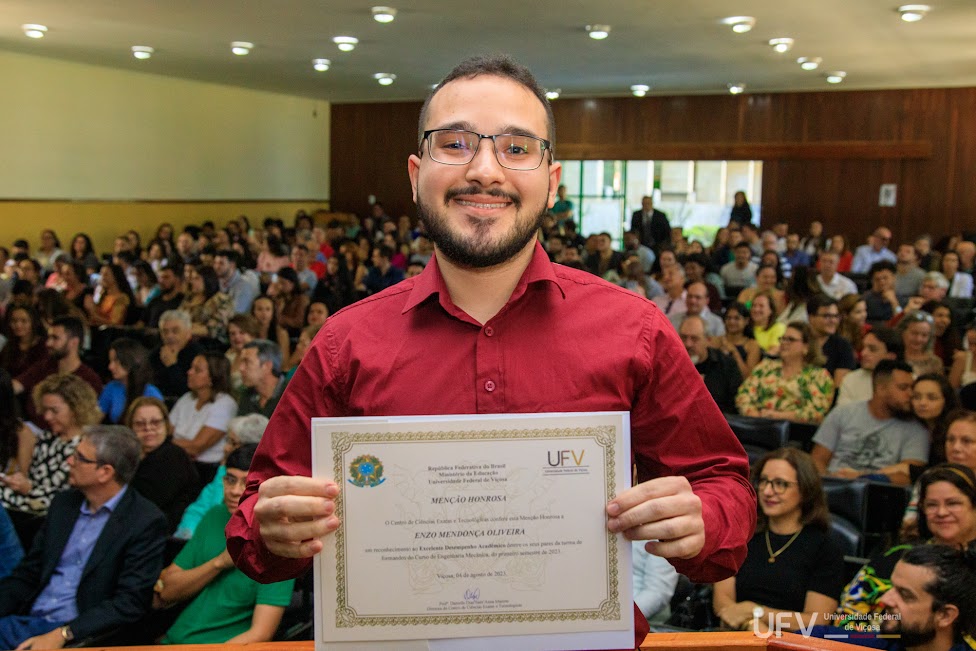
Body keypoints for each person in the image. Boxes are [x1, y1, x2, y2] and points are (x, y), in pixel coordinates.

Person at [225, 54, 755, 646]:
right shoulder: (344, 344)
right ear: (415, 172)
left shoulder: (635, 330)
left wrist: (701, 519)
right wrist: (271, 528)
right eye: (453, 143)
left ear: (552, 182)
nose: (484, 170)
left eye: (518, 148)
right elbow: (252, 523)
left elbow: (724, 485)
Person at [0, 425, 168, 650]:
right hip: (26, 618)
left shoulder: (144, 521)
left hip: (78, 633)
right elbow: (29, 573)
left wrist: (64, 633)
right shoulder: (63, 505)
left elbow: (130, 602)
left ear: (105, 472)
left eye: (79, 457)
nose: (69, 461)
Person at [155, 444, 294, 644]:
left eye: (247, 482)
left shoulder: (278, 539)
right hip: (172, 641)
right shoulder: (215, 516)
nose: (234, 491)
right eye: (230, 480)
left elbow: (261, 634)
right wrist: (219, 562)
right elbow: (167, 592)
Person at [832, 464, 976, 641]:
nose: (941, 512)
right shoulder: (897, 557)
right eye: (931, 505)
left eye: (953, 503)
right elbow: (846, 616)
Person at [713, 448, 843, 632]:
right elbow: (722, 601)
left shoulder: (825, 548)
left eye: (780, 484)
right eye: (764, 481)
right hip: (733, 635)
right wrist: (750, 625)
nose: (767, 491)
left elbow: (816, 620)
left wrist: (756, 612)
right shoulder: (742, 534)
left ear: (805, 490)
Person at [0, 374, 104, 517]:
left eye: (54, 411)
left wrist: (29, 489)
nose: (47, 417)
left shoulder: (88, 447)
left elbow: (74, 499)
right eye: (45, 410)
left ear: (76, 409)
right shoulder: (47, 437)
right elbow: (31, 478)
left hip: (55, 514)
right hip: (27, 504)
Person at [811, 359, 929, 485]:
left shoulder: (916, 429)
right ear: (881, 388)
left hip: (880, 493)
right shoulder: (843, 413)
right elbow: (817, 460)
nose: (910, 394)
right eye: (903, 388)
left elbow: (909, 477)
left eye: (912, 388)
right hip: (833, 486)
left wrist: (862, 477)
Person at [174, 414, 269, 541]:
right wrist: (186, 535)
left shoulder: (265, 478)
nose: (226, 448)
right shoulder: (223, 471)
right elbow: (199, 508)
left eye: (233, 443)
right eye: (227, 441)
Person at [735, 322, 835, 424]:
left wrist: (778, 416)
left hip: (796, 431)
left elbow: (816, 412)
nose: (783, 343)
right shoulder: (765, 367)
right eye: (782, 338)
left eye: (790, 339)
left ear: (806, 346)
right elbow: (744, 395)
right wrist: (755, 415)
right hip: (757, 425)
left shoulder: (819, 376)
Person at [127, 397, 199, 534]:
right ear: (131, 427)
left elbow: (144, 504)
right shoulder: (131, 456)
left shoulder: (173, 455)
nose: (148, 428)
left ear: (166, 425)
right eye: (140, 424)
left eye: (155, 422)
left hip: (163, 533)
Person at [13, 316, 103, 425]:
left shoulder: (89, 379)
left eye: (55, 338)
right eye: (49, 337)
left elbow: (86, 420)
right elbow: (15, 386)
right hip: (30, 427)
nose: (48, 343)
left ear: (74, 342)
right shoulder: (44, 366)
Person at [170, 352, 237, 485]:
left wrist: (169, 443)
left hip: (205, 471)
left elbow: (197, 446)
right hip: (178, 461)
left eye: (197, 370)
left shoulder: (225, 404)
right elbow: (166, 432)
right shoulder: (186, 398)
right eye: (191, 368)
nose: (189, 372)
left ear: (213, 377)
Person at [679, 315, 741, 413]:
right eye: (683, 337)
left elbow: (734, 405)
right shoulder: (672, 363)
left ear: (707, 340)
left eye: (694, 339)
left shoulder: (727, 365)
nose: (688, 344)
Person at [98, 338, 164, 424]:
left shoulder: (151, 392)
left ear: (130, 361)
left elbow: (158, 425)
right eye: (110, 361)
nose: (110, 367)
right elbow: (95, 418)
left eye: (116, 361)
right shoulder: (111, 387)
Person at [837, 327, 902, 407]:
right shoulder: (851, 379)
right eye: (863, 347)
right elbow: (844, 416)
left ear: (891, 356)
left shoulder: (907, 381)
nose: (863, 353)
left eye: (872, 349)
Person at [151, 310, 204, 400]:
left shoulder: (199, 355)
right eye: (165, 332)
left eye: (175, 331)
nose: (169, 336)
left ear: (188, 333)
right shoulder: (156, 354)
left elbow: (189, 391)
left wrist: (172, 366)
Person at [807, 294, 858, 387]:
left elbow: (839, 386)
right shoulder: (799, 341)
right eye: (827, 316)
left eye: (836, 316)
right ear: (811, 318)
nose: (833, 321)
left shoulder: (842, 346)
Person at [912, 373, 959, 469]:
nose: (922, 403)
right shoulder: (908, 425)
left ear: (946, 400)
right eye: (916, 397)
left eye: (932, 398)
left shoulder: (956, 429)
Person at [180, 264, 234, 343]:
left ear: (208, 280)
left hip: (211, 343)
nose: (192, 282)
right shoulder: (189, 298)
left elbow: (215, 328)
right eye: (192, 278)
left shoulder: (222, 300)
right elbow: (178, 317)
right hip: (186, 339)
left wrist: (185, 330)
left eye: (197, 278)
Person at [237, 340, 288, 419]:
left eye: (247, 362)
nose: (241, 368)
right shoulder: (247, 396)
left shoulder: (291, 394)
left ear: (267, 366)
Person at [711, 302, 762, 378]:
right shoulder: (715, 341)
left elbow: (748, 377)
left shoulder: (752, 345)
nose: (732, 322)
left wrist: (734, 352)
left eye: (736, 318)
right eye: (729, 318)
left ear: (746, 321)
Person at [0, 305, 47, 379]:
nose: (18, 325)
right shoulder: (9, 346)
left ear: (33, 322)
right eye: (14, 321)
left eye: (24, 321)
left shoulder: (43, 346)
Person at [898, 310, 944, 377]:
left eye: (924, 335)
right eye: (914, 333)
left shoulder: (935, 363)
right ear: (903, 332)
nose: (918, 339)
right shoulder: (892, 357)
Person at [213, 249, 258, 315]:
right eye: (215, 263)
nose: (216, 267)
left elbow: (236, 312)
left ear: (232, 265)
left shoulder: (244, 286)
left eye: (221, 263)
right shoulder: (219, 281)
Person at [143, 263, 185, 330]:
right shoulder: (155, 301)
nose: (161, 281)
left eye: (166, 277)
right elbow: (142, 323)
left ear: (177, 279)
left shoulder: (183, 302)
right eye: (159, 277)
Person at [749, 291, 786, 356]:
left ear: (770, 310)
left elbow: (773, 351)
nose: (756, 309)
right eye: (754, 306)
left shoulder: (778, 327)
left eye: (761, 306)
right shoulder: (746, 327)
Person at [949, 321, 976, 390]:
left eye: (975, 344)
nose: (972, 349)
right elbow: (951, 391)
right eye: (969, 343)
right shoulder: (962, 359)